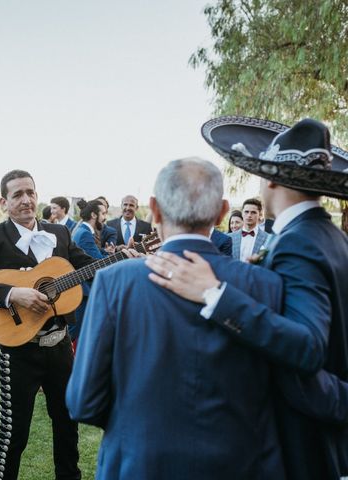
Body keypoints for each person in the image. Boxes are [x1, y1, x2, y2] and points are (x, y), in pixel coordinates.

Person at [146, 117, 348, 479]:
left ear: (269, 179)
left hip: (305, 430)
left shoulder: (299, 242)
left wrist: (214, 294)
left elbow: (308, 345)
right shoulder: (328, 236)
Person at [67, 158, 286, 479]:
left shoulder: (115, 281)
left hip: (138, 462)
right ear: (223, 211)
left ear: (153, 209)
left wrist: (137, 422)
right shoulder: (264, 283)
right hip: (237, 464)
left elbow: (83, 400)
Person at [0, 170, 102, 480]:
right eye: (17, 194)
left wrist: (121, 261)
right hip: (18, 349)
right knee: (15, 429)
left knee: (67, 421)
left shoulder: (61, 234)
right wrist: (13, 293)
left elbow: (87, 267)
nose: (26, 200)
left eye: (30, 192)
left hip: (60, 344)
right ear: (4, 201)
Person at [69, 199, 113, 343]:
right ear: (94, 215)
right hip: (83, 291)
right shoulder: (85, 234)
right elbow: (97, 263)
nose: (105, 217)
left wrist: (110, 253)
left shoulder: (83, 230)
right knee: (75, 335)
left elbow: (96, 255)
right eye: (103, 213)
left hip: (82, 290)